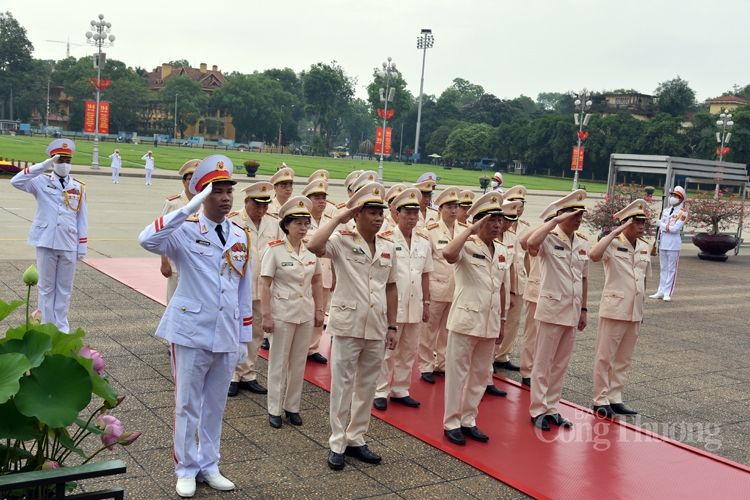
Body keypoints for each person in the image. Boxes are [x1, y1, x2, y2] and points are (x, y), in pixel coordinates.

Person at [138, 155, 251, 497]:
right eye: (217, 190)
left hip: (227, 332)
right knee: (187, 404)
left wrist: (245, 335)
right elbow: (147, 239)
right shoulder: (184, 231)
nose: (226, 196)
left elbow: (243, 288)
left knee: (215, 405)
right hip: (190, 331)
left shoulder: (240, 236)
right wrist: (190, 207)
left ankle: (209, 464)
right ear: (202, 195)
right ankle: (186, 468)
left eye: (229, 189)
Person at [307, 181, 398, 471]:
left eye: (380, 212)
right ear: (356, 215)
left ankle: (356, 438)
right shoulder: (343, 239)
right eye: (370, 212)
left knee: (367, 386)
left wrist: (393, 326)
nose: (377, 217)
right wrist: (338, 218)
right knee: (342, 386)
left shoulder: (386, 245)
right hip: (348, 325)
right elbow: (313, 245)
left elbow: (392, 287)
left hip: (376, 326)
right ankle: (337, 442)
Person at [441, 192, 508, 445]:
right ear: (479, 222)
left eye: (499, 221)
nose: (497, 226)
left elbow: (501, 287)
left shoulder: (501, 250)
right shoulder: (466, 245)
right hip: (465, 320)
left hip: (490, 322)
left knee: (480, 375)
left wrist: (502, 321)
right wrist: (469, 231)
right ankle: (451, 422)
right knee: (457, 374)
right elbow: (448, 254)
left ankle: (469, 419)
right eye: (492, 220)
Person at [526, 189, 589, 432]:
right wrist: (553, 221)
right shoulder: (548, 238)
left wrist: (583, 309)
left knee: (560, 365)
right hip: (551, 309)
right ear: (561, 215)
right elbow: (530, 243)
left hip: (572, 311)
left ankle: (552, 407)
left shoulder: (582, 241)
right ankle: (537, 409)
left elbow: (583, 278)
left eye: (581, 214)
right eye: (574, 214)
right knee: (543, 363)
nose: (579, 218)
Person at [10, 139, 87, 333]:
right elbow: (16, 181)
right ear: (53, 161)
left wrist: (82, 246)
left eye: (67, 160)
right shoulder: (41, 181)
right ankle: (46, 327)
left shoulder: (78, 187)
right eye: (60, 160)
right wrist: (44, 165)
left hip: (69, 242)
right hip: (46, 240)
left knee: (64, 289)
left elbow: (82, 218)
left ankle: (61, 328)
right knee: (45, 288)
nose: (64, 164)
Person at [261, 196, 325, 428]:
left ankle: (292, 407)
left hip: (305, 313)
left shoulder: (311, 251)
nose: (303, 227)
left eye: (306, 223)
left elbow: (317, 282)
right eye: (297, 222)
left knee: (298, 363)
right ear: (286, 225)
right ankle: (274, 408)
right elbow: (265, 284)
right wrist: (266, 315)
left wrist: (319, 310)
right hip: (282, 313)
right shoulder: (275, 251)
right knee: (278, 362)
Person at [590, 199, 651, 417]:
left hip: (634, 310)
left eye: (644, 221)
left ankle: (615, 397)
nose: (642, 225)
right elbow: (594, 255)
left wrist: (641, 309)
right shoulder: (612, 244)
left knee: (624, 358)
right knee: (605, 356)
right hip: (615, 308)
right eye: (636, 222)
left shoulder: (644, 246)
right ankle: (600, 399)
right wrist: (616, 232)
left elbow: (642, 280)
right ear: (625, 224)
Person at [374, 188, 433, 410]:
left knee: (409, 350)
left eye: (416, 213)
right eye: (407, 213)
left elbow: (425, 273)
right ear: (396, 214)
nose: (412, 218)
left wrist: (426, 303)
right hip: (393, 306)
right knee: (388, 349)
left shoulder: (423, 241)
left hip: (415, 304)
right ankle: (380, 390)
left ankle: (400, 389)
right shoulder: (385, 240)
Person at [228, 182, 282, 397]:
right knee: (234, 331)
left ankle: (248, 373)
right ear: (247, 202)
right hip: (237, 288)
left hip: (262, 289)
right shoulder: (232, 221)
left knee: (257, 332)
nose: (261, 210)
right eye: (257, 205)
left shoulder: (273, 223)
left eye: (265, 206)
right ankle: (232, 375)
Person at [417, 187, 465, 383]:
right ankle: (426, 364)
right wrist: (425, 295)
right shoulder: (430, 232)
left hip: (457, 289)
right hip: (436, 288)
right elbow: (424, 265)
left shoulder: (464, 230)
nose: (453, 211)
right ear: (440, 209)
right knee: (428, 331)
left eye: (456, 207)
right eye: (449, 207)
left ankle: (442, 363)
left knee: (447, 330)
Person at [517, 207, 556, 387]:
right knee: (532, 334)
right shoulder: (539, 239)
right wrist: (548, 223)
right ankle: (527, 371)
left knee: (547, 337)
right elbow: (524, 243)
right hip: (536, 292)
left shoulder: (557, 239)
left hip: (552, 295)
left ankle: (541, 371)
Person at [494, 187, 531, 372]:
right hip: (500, 280)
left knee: (513, 321)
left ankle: (502, 355)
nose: (518, 208)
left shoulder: (524, 225)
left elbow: (525, 258)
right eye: (514, 204)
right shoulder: (496, 226)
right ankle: (491, 355)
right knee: (498, 319)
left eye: (521, 205)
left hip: (518, 280)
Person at [302, 180, 335, 364]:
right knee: (305, 311)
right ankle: (300, 347)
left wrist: (336, 276)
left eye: (323, 198)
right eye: (317, 198)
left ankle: (312, 348)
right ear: (308, 200)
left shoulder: (329, 222)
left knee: (319, 311)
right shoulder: (301, 220)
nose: (321, 202)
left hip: (326, 273)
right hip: (306, 276)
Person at [161, 160, 201, 304]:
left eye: (197, 179)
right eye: (191, 179)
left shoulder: (205, 203)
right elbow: (163, 232)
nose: (194, 183)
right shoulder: (173, 203)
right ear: (184, 182)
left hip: (199, 260)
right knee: (174, 302)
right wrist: (164, 262)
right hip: (176, 261)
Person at [650, 186, 687, 302]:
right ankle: (661, 291)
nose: (673, 198)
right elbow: (664, 228)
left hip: (673, 243)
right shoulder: (666, 210)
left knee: (672, 269)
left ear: (681, 200)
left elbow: (675, 228)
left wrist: (661, 225)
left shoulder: (683, 212)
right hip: (663, 242)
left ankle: (668, 292)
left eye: (676, 196)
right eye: (672, 196)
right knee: (663, 268)